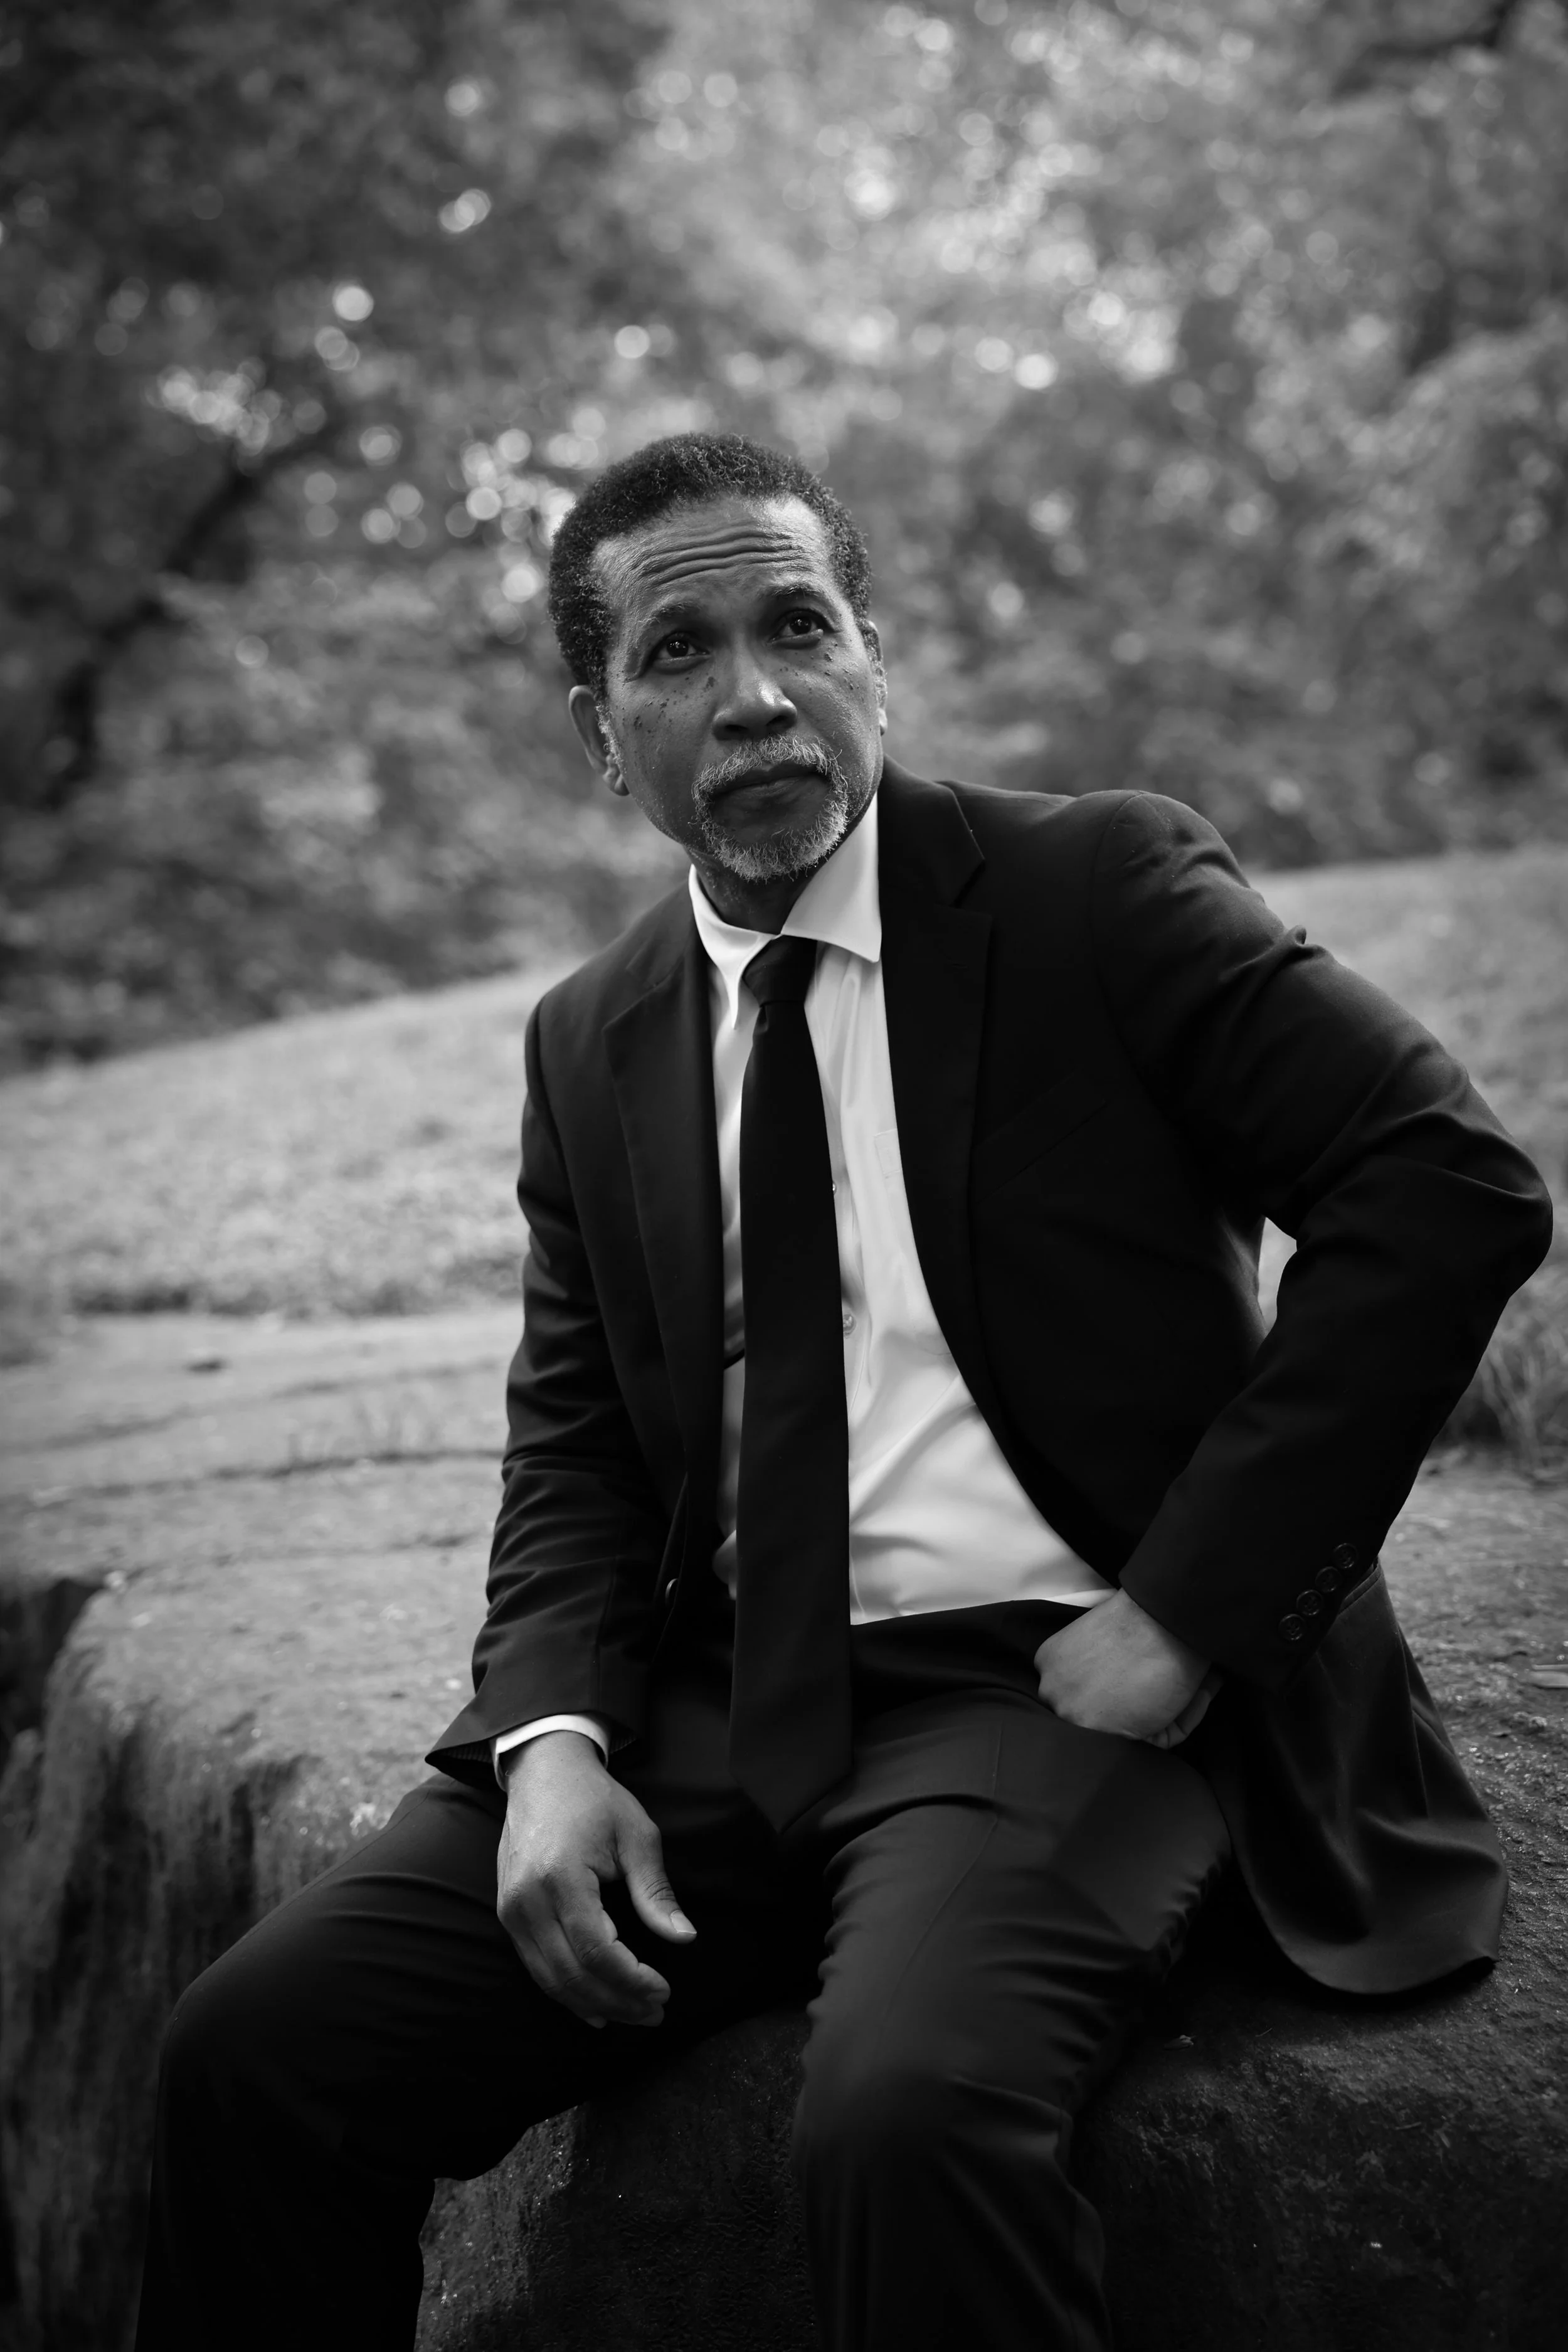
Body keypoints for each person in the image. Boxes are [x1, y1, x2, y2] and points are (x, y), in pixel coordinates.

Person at [135, 432, 1552, 2352]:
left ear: (870, 655)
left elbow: (1440, 1186)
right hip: (720, 1709)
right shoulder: (590, 1037)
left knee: (902, 2121)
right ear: (600, 733)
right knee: (253, 2053)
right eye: (678, 651)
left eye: (796, 626)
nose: (754, 696)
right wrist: (549, 1738)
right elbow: (576, 1435)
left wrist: (1192, 1610)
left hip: (1053, 1694)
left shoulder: (1093, 889)